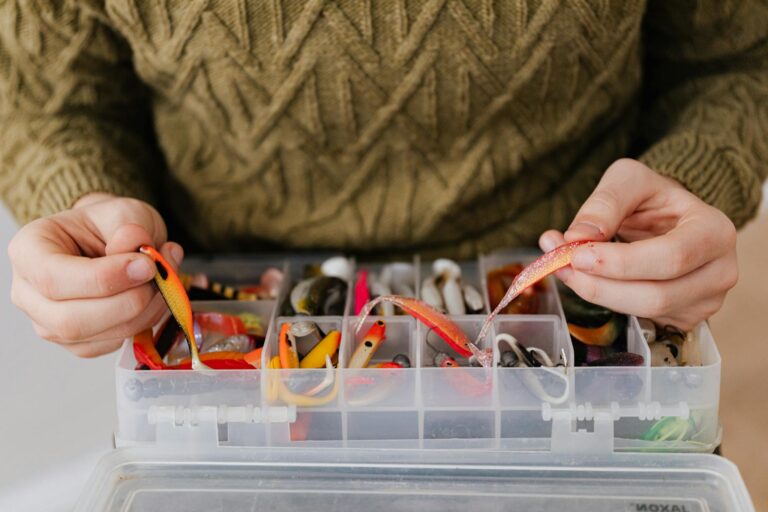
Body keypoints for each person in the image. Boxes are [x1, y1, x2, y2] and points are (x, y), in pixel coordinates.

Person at [2, 1, 766, 357]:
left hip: (584, 313)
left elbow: (734, 58)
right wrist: (86, 204)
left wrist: (695, 175)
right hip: (224, 333)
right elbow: (45, 98)